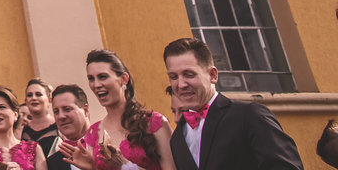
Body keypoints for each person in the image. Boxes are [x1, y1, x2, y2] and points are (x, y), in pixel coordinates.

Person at [163, 37, 303, 170]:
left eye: (189, 74)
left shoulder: (249, 114)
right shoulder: (177, 138)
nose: (181, 84)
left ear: (213, 75)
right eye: (173, 77)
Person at [60, 48, 173, 170]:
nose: (96, 85)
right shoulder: (93, 133)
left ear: (124, 79)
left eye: (103, 77)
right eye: (91, 79)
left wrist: (126, 167)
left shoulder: (154, 122)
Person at [45, 84, 90, 170]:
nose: (61, 116)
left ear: (85, 110)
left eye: (67, 109)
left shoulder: (109, 144)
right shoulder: (52, 162)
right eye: (56, 111)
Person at [22, 79, 59, 158]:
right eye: (29, 95)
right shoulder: (22, 130)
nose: (34, 98)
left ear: (50, 100)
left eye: (38, 94)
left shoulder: (59, 126)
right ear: (26, 101)